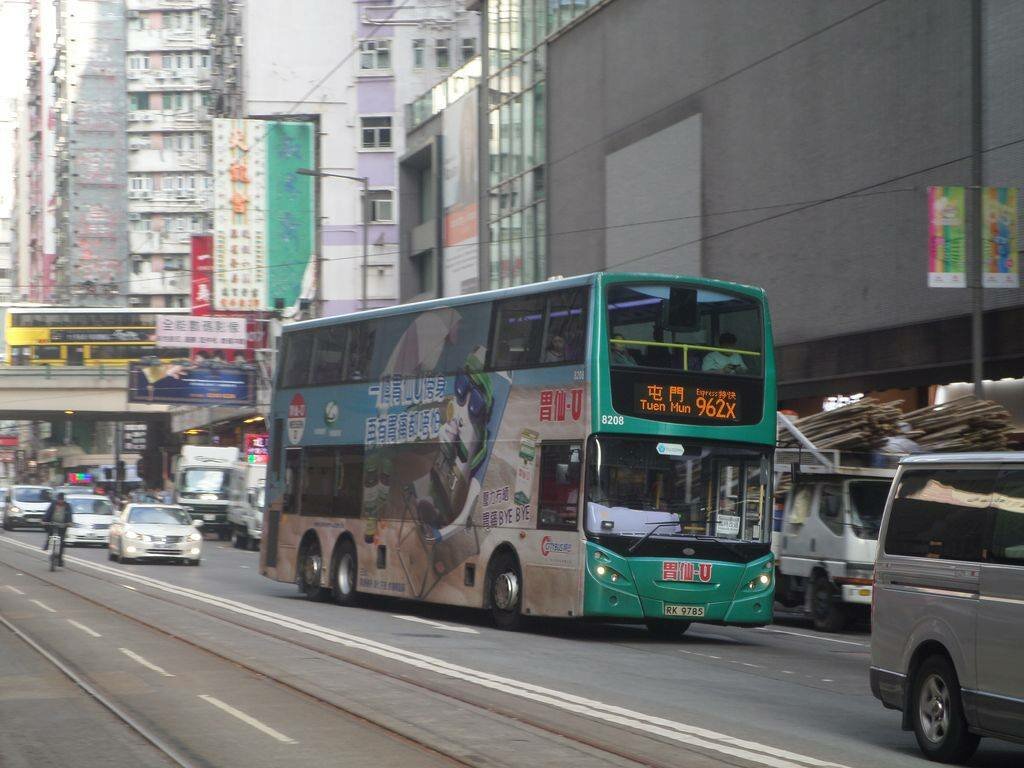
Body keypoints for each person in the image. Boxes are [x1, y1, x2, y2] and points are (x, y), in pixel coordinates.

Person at [41, 492, 72, 566]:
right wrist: (44, 520)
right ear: (57, 499)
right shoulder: (53, 504)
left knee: (62, 542)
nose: (60, 501)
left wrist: (69, 522)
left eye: (62, 500)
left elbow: (69, 515)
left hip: (63, 525)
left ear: (64, 500)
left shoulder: (67, 506)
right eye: (59, 500)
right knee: (50, 533)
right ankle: (47, 544)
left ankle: (60, 559)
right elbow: (48, 512)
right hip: (53, 523)